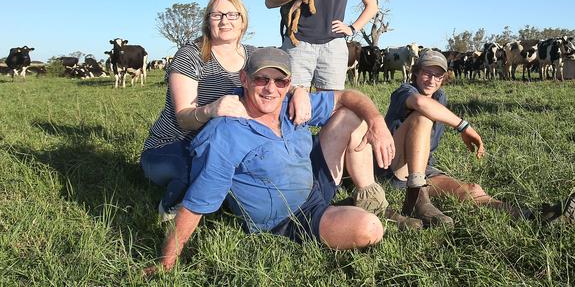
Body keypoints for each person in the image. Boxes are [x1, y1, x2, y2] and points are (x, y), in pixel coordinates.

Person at [145, 47, 396, 274]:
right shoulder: (225, 134)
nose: (270, 88)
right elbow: (198, 202)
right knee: (370, 229)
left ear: (289, 84)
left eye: (280, 81)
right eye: (261, 79)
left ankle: (368, 196)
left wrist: (377, 122)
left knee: (351, 115)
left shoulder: (289, 104)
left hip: (312, 183)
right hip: (290, 217)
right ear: (244, 79)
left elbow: (347, 97)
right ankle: (344, 213)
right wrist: (166, 262)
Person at [140, 0, 312, 220]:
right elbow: (183, 117)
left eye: (233, 14)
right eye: (217, 14)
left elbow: (277, 82)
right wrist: (211, 110)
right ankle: (169, 209)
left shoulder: (253, 55)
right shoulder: (190, 56)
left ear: (243, 22)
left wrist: (298, 90)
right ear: (207, 21)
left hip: (224, 143)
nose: (224, 21)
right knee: (200, 170)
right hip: (174, 145)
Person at [383, 49, 575, 227]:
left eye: (438, 75)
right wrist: (464, 127)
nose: (432, 80)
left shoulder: (441, 97)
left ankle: (536, 216)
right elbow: (421, 104)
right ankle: (415, 200)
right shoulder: (405, 90)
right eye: (426, 73)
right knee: (423, 116)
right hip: (393, 168)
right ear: (415, 73)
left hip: (423, 170)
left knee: (472, 190)